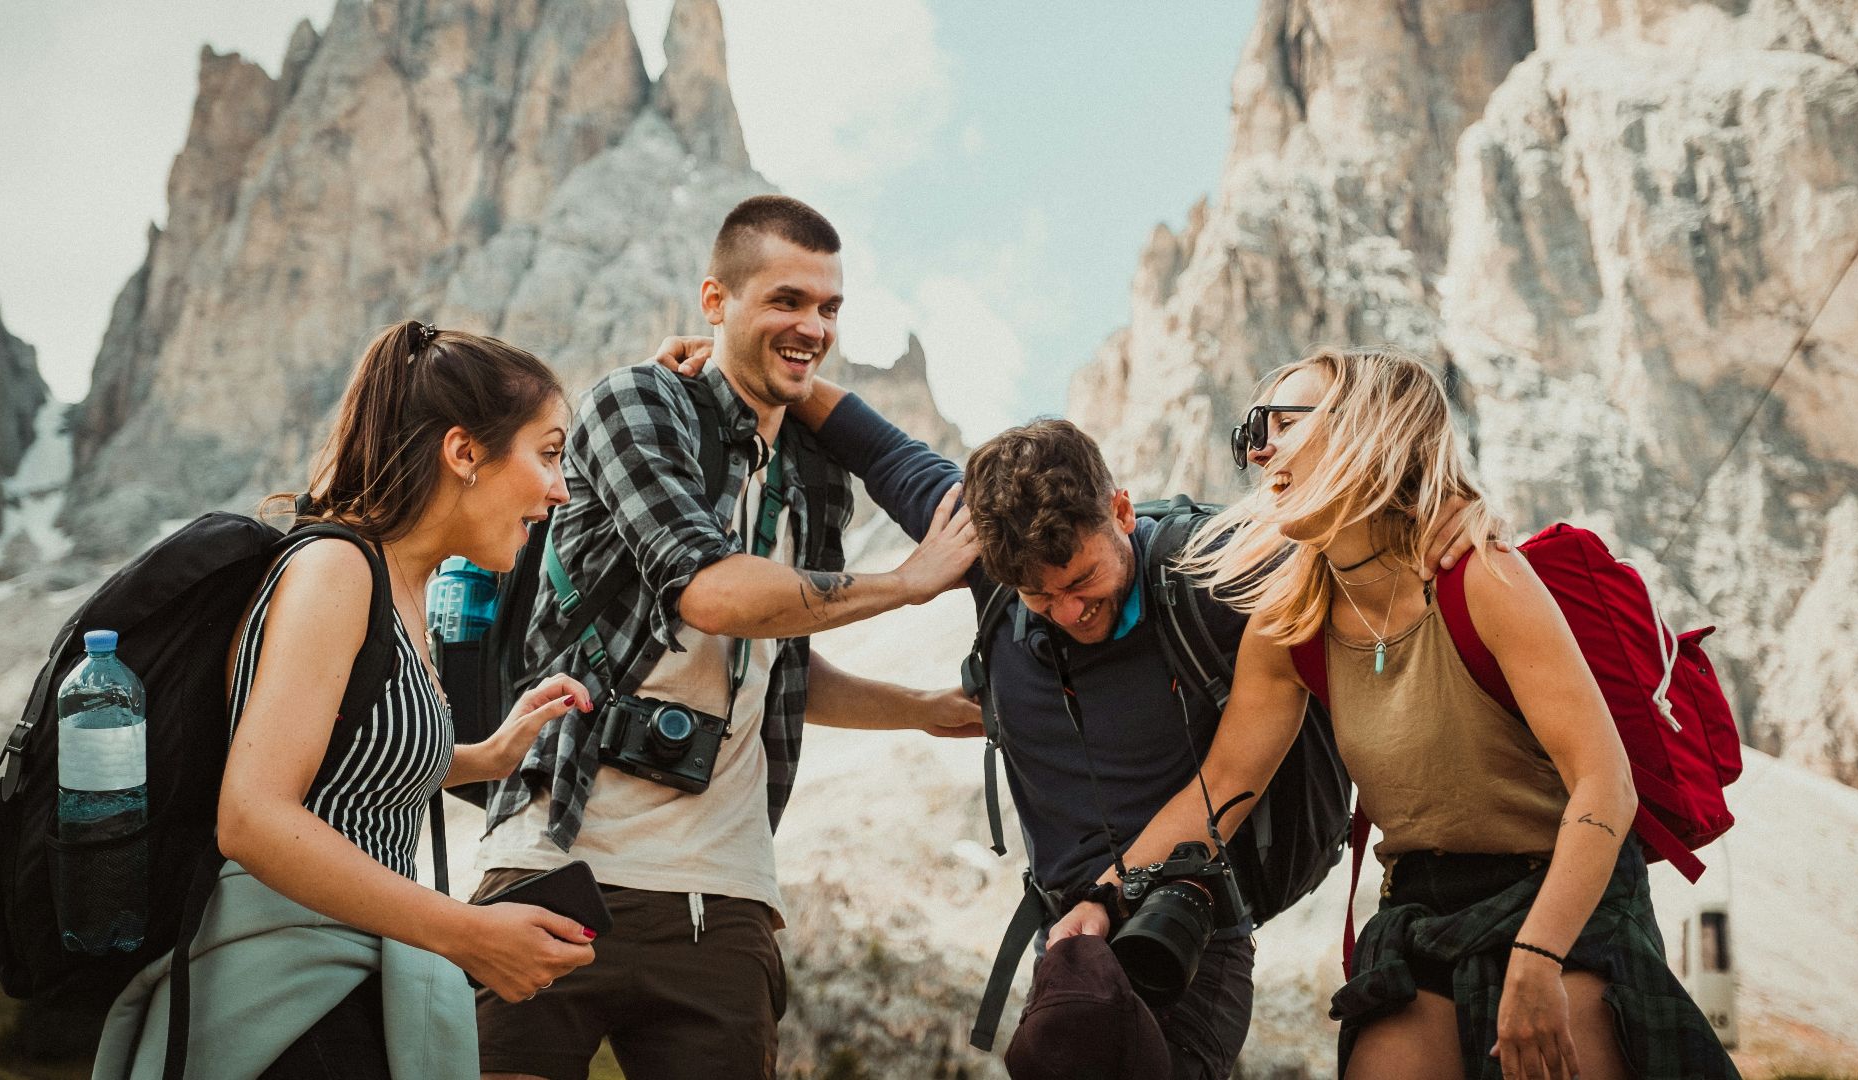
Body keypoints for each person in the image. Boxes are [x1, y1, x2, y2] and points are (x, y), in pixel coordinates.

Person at [651, 339, 1486, 1080]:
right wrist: (754, 363)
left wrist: (1454, 510)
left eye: (1083, 582)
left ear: (1121, 510)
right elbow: (880, 448)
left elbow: (1356, 527)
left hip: (1189, 937)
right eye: (1037, 598)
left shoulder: (1213, 574)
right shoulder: (993, 559)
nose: (1068, 612)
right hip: (1069, 948)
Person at [1059, 346, 1739, 1080]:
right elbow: (1221, 785)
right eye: (1253, 431)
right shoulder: (1290, 622)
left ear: (1367, 427)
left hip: (1563, 892)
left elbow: (1606, 785)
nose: (1258, 451)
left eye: (1282, 423)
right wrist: (1102, 895)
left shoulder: (1484, 579)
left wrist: (1539, 955)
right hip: (1419, 909)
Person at [472, 195, 982, 1080]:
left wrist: (921, 709)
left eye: (829, 308)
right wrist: (907, 585)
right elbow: (711, 594)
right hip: (556, 863)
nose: (812, 326)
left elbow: (779, 645)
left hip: (726, 897)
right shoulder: (636, 405)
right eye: (786, 300)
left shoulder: (817, 476)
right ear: (716, 300)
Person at [94, 321, 600, 1079]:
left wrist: (481, 757)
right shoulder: (338, 568)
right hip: (281, 1000)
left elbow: (343, 768)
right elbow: (254, 816)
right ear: (464, 453)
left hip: (348, 981)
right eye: (549, 453)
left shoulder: (402, 588)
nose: (561, 489)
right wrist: (468, 933)